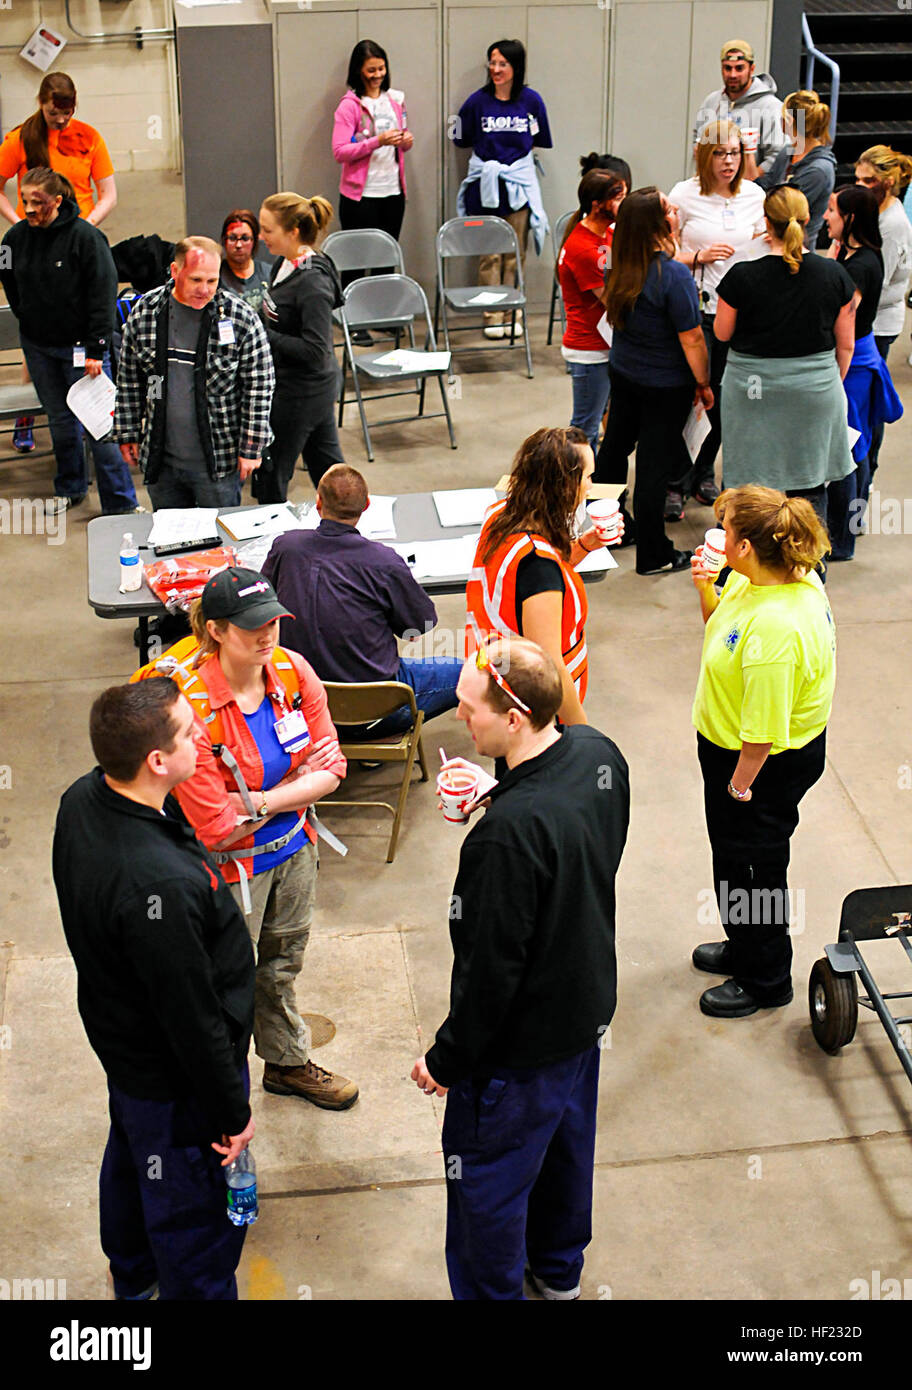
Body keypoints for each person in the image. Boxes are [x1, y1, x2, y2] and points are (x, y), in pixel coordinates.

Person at [411, 637, 630, 1300]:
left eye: (471, 709)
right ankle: (559, 1276)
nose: (459, 719)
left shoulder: (504, 841)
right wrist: (500, 791)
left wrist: (445, 1061)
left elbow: (489, 976)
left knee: (487, 1192)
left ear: (513, 719)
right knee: (565, 1155)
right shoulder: (598, 754)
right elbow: (577, 842)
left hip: (517, 1053)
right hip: (583, 1013)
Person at [52, 678, 256, 1299]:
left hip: (126, 1050)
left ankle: (134, 1277)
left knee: (133, 1162)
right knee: (195, 1217)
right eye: (192, 732)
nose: (205, 737)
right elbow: (190, 1017)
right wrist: (230, 1113)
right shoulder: (156, 886)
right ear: (157, 761)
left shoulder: (83, 800)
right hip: (178, 1080)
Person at [153, 566, 359, 1110]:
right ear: (217, 630)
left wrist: (262, 800)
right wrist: (299, 782)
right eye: (251, 626)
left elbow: (334, 768)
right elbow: (216, 828)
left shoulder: (292, 673)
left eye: (273, 621)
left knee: (281, 963)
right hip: (228, 874)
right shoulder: (189, 709)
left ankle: (286, 1064)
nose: (268, 635)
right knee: (223, 982)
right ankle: (218, 1092)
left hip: (294, 850)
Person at [689, 486, 835, 1019]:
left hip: (758, 766)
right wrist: (706, 585)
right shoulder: (762, 581)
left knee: (756, 868)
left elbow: (763, 733)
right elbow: (719, 632)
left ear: (747, 546)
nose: (717, 537)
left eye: (726, 530)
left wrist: (738, 786)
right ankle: (744, 944)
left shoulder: (777, 628)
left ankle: (767, 977)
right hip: (736, 753)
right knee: (733, 859)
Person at [261, 464, 462, 735]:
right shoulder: (384, 562)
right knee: (475, 672)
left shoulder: (286, 547)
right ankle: (369, 734)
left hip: (299, 701)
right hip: (376, 707)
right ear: (367, 505)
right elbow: (421, 624)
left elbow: (265, 602)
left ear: (318, 503)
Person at [714, 185, 858, 522]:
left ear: (766, 222)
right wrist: (827, 382)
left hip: (752, 388)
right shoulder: (834, 274)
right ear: (809, 220)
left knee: (750, 488)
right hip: (814, 389)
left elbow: (722, 333)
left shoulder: (742, 276)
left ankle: (746, 565)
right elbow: (846, 343)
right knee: (808, 485)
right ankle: (808, 567)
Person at [0, 167, 138, 514]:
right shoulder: (13, 240)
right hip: (39, 348)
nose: (29, 210)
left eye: (38, 202)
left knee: (99, 426)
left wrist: (96, 349)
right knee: (61, 421)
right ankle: (70, 487)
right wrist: (29, 318)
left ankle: (120, 503)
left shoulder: (87, 239)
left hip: (82, 351)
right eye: (24, 201)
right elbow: (8, 280)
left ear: (58, 201)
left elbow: (103, 296)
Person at [467, 426, 619, 726]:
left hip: (501, 682)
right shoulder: (538, 565)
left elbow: (529, 582)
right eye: (587, 477)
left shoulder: (502, 516)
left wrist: (585, 546)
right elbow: (550, 668)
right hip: (538, 711)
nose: (590, 487)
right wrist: (583, 734)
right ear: (564, 485)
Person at [0, 71, 117, 455]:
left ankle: (95, 425)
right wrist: (21, 225)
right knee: (38, 324)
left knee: (80, 308)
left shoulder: (88, 138)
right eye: (54, 113)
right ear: (41, 104)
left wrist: (85, 227)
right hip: (35, 246)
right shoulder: (20, 139)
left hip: (79, 239)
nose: (61, 120)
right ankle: (28, 419)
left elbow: (108, 192)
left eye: (67, 113)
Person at [594, 187, 710, 575]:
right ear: (657, 224)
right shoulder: (672, 275)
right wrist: (704, 382)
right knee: (653, 467)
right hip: (664, 385)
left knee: (613, 449)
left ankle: (607, 527)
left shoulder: (617, 263)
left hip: (625, 373)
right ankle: (654, 553)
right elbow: (691, 338)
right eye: (669, 208)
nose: (675, 210)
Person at [113, 235, 275, 509]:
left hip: (218, 463)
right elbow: (130, 379)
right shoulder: (145, 313)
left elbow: (259, 386)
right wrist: (128, 431)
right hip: (162, 463)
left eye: (212, 281)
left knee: (220, 544)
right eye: (196, 280)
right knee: (170, 544)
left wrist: (252, 446)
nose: (205, 290)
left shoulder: (241, 319)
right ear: (175, 272)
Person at [666, 120, 766, 518]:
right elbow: (664, 251)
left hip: (738, 315)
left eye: (735, 154)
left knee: (723, 401)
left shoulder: (755, 195)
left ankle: (705, 471)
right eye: (721, 154)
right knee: (688, 397)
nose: (728, 162)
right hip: (695, 311)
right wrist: (696, 257)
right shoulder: (683, 196)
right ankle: (675, 480)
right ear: (705, 156)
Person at [452, 39, 552, 339]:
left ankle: (512, 312)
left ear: (515, 67)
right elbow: (458, 135)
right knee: (489, 255)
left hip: (517, 186)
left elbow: (539, 138)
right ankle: (491, 314)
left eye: (503, 64)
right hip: (485, 185)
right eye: (492, 63)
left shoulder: (531, 101)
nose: (496, 69)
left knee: (514, 253)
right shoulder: (476, 102)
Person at [823, 186, 901, 560]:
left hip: (853, 362)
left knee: (850, 449)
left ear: (851, 218)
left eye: (833, 210)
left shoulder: (863, 265)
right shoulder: (848, 253)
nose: (825, 216)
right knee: (856, 446)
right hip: (854, 355)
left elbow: (841, 321)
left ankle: (842, 539)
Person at [254, 192, 344, 501]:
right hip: (302, 387)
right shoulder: (286, 262)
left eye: (267, 230)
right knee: (328, 470)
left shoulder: (312, 282)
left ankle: (271, 539)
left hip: (302, 392)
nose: (260, 236)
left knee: (272, 472)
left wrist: (263, 336)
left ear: (293, 232)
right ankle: (343, 528)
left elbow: (315, 350)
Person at [557, 169, 626, 453]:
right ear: (598, 204)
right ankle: (579, 490)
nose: (626, 203)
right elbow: (611, 300)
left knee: (604, 420)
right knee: (585, 428)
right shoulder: (584, 248)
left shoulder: (605, 234)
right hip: (590, 351)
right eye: (619, 198)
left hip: (606, 345)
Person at [854, 144, 912, 477]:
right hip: (870, 322)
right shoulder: (876, 213)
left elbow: (877, 281)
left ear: (886, 183)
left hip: (877, 327)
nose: (859, 186)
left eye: (867, 181)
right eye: (858, 179)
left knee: (868, 412)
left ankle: (865, 481)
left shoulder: (891, 225)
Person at [332, 40, 412, 245]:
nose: (378, 75)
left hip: (394, 192)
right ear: (359, 71)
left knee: (386, 260)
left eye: (381, 68)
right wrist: (378, 142)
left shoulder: (396, 100)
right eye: (371, 70)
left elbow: (403, 138)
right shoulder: (350, 106)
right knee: (356, 262)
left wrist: (405, 141)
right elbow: (340, 152)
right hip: (361, 197)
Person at [692, 39, 787, 180]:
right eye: (727, 68)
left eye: (739, 68)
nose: (733, 75)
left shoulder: (770, 107)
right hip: (710, 189)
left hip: (747, 194)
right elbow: (697, 139)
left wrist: (749, 182)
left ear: (752, 69)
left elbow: (777, 155)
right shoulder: (712, 101)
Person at [756, 90, 836, 248]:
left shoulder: (818, 170)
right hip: (772, 239)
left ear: (789, 121)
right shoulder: (788, 151)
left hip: (798, 248)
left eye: (782, 117)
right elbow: (763, 185)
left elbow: (786, 209)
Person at [219, 208, 274, 313]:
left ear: (254, 241)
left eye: (245, 238)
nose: (238, 245)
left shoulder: (269, 274)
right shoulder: (215, 277)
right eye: (232, 238)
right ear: (224, 240)